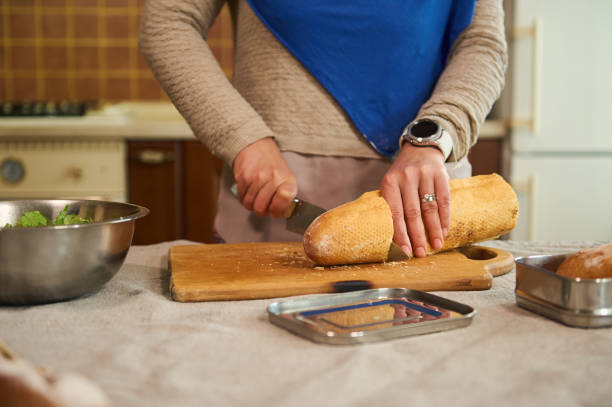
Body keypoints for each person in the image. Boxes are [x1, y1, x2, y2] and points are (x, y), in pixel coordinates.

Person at [139, 0, 507, 257]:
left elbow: (482, 43)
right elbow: (167, 22)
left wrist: (432, 136)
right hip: (276, 203)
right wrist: (242, 137)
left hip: (424, 202)